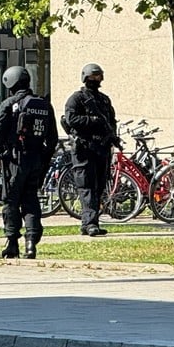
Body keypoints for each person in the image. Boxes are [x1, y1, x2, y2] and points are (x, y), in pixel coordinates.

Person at [0, 66, 57, 259]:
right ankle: (31, 244)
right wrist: (43, 158)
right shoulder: (44, 105)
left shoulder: (9, 104)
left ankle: (12, 243)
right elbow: (52, 138)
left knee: (10, 201)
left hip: (14, 159)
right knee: (31, 200)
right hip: (36, 158)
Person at [64, 63, 118, 237]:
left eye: (98, 76)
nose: (96, 80)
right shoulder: (77, 99)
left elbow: (111, 121)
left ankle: (90, 222)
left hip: (101, 148)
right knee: (86, 186)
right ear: (85, 78)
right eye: (92, 77)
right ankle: (90, 223)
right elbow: (71, 119)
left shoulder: (103, 100)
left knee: (100, 186)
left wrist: (112, 137)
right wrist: (92, 120)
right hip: (84, 148)